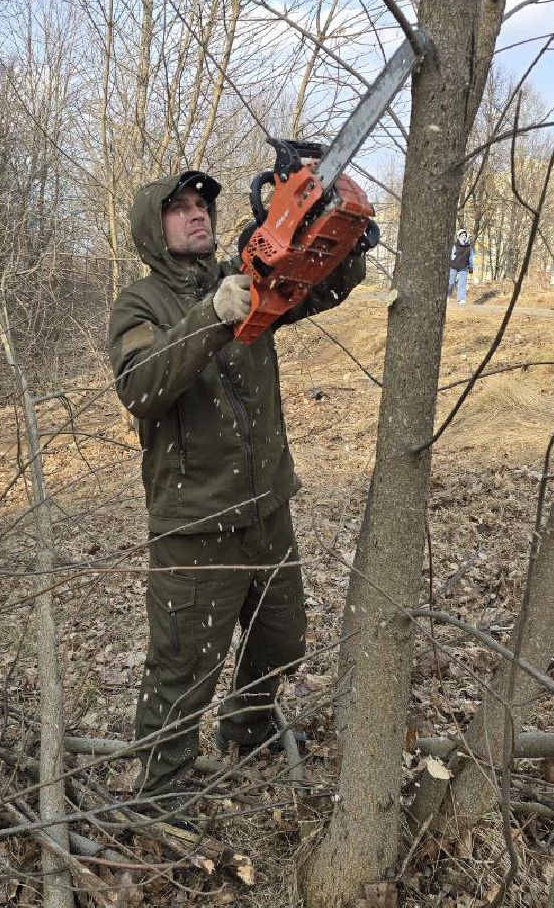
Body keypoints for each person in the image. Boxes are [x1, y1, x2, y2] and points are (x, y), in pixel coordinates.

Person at [107, 169, 371, 812]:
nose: (197, 216)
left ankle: (247, 731)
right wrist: (211, 316)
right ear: (154, 226)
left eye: (203, 206)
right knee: (182, 671)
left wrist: (345, 249)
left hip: (266, 509)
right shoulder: (139, 305)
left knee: (282, 642)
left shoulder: (246, 276)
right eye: (181, 210)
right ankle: (163, 796)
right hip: (196, 525)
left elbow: (310, 291)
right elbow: (140, 386)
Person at [448, 228, 474, 304]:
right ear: (458, 236)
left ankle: (461, 299)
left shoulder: (469, 247)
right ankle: (447, 295)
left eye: (465, 235)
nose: (464, 237)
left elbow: (471, 258)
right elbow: (451, 255)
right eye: (462, 235)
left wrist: (471, 267)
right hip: (454, 266)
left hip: (464, 267)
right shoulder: (455, 245)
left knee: (462, 284)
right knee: (451, 282)